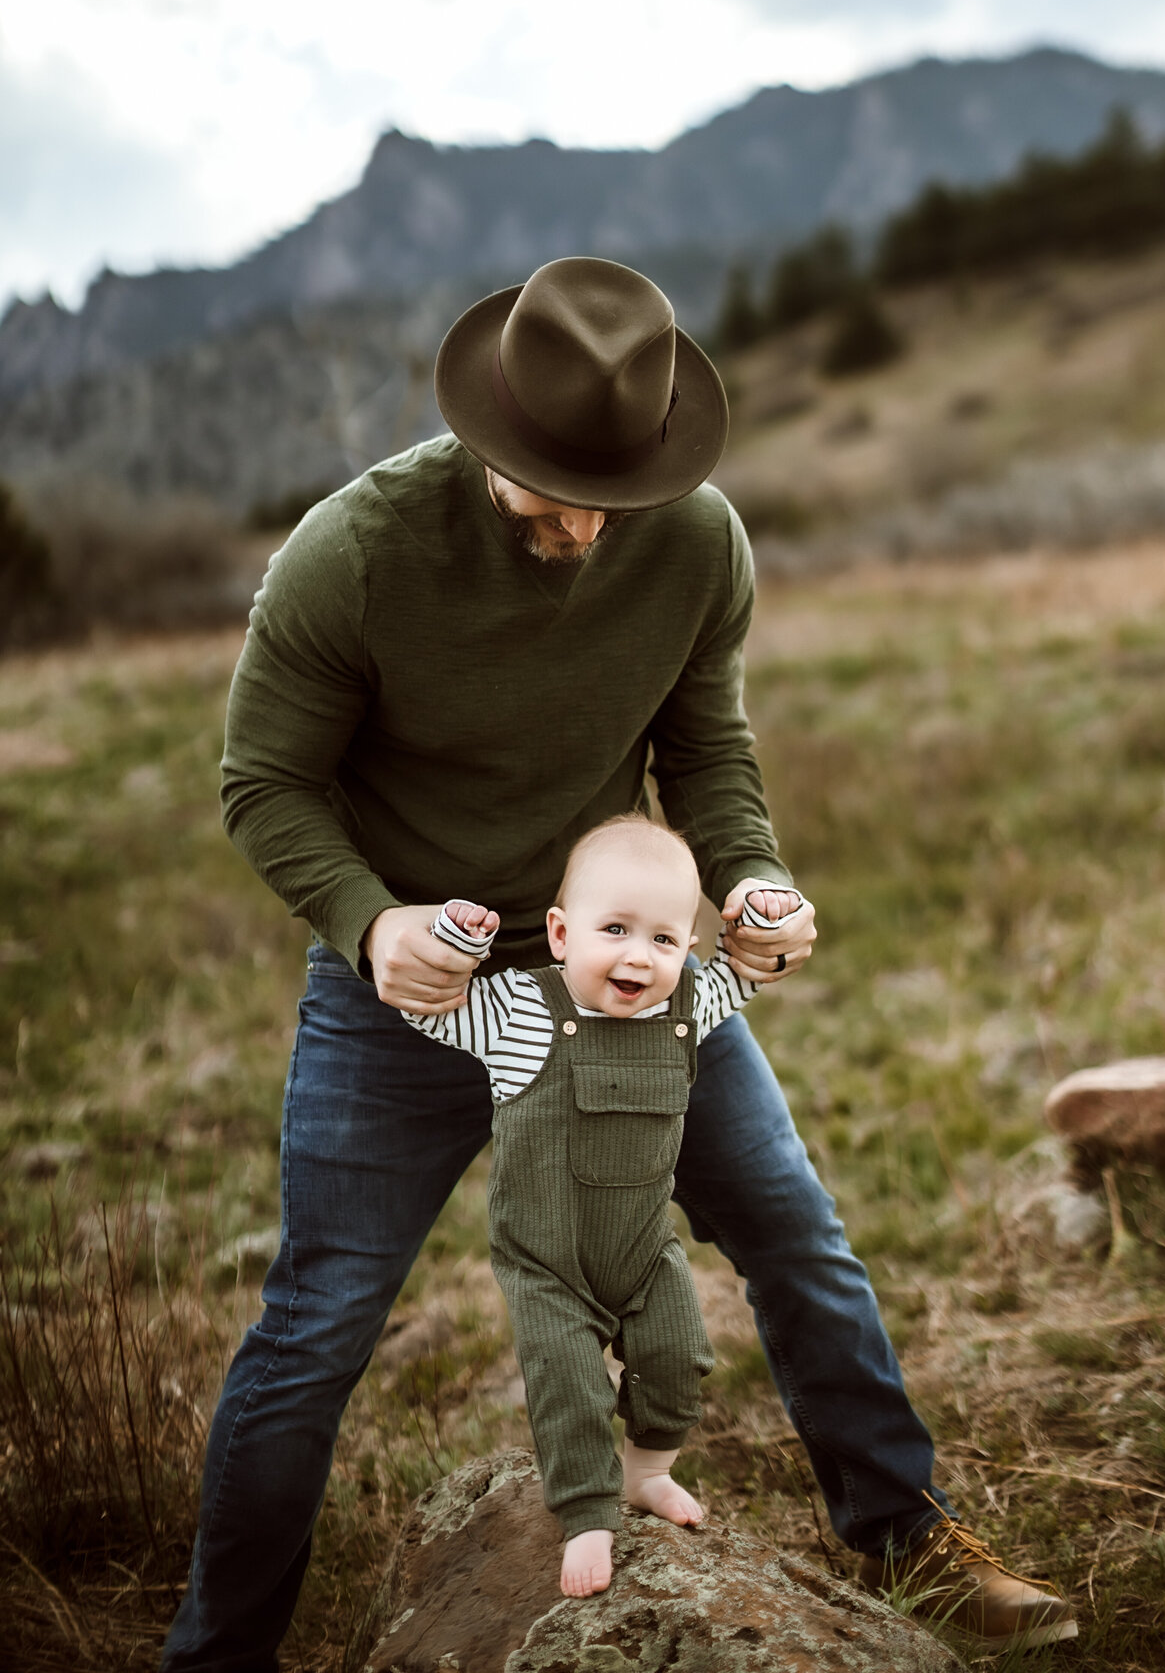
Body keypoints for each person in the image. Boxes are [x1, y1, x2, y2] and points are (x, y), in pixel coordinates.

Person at [162, 256, 1076, 1669]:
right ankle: (214, 1655)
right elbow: (264, 784)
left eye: (616, 489)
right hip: (413, 990)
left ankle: (911, 1538)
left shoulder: (700, 541)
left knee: (792, 1232)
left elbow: (706, 748)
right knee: (318, 1325)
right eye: (550, 485)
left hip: (627, 980)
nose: (587, 523)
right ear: (484, 435)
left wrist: (756, 878)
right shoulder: (349, 554)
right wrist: (371, 923)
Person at [405, 816, 802, 1598]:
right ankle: (586, 1512)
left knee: (681, 1359)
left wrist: (764, 916)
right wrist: (453, 944)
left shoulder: (687, 1007)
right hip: (548, 1258)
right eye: (613, 929)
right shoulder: (521, 1013)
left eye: (662, 938)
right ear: (560, 933)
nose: (636, 955)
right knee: (571, 1384)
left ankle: (647, 1470)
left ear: (688, 948)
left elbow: (750, 973)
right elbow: (429, 1008)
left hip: (643, 1250)